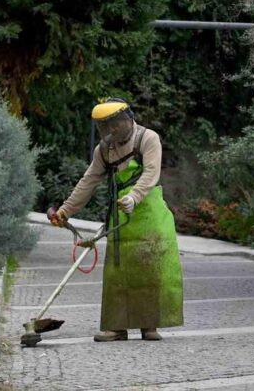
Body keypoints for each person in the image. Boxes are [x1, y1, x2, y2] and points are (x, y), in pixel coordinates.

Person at [54, 98, 184, 342]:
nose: (111, 129)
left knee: (148, 267)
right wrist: (66, 210)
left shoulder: (148, 138)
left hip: (149, 213)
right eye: (106, 126)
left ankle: (149, 324)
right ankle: (116, 327)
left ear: (128, 119)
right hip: (119, 218)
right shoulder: (104, 149)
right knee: (118, 271)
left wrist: (134, 196)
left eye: (115, 123)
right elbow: (89, 180)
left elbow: (151, 172)